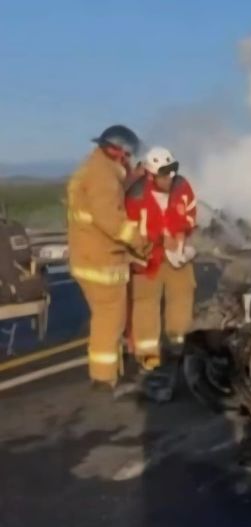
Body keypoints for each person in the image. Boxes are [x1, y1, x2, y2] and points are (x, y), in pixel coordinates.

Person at [67, 125, 151, 390]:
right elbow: (110, 218)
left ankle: (106, 371)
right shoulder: (102, 174)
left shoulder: (95, 166)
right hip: (101, 261)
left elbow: (106, 194)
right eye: (127, 155)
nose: (128, 159)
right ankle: (104, 378)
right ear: (117, 151)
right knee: (109, 320)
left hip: (87, 255)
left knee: (103, 318)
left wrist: (132, 178)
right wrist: (141, 241)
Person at [125, 147, 198, 371]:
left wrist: (182, 232)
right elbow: (129, 232)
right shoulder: (135, 196)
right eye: (164, 174)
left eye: (172, 171)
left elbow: (190, 213)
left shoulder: (182, 187)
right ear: (149, 174)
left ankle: (178, 344)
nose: (169, 178)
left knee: (182, 297)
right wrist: (156, 241)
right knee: (146, 306)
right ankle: (149, 356)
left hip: (177, 258)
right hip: (147, 261)